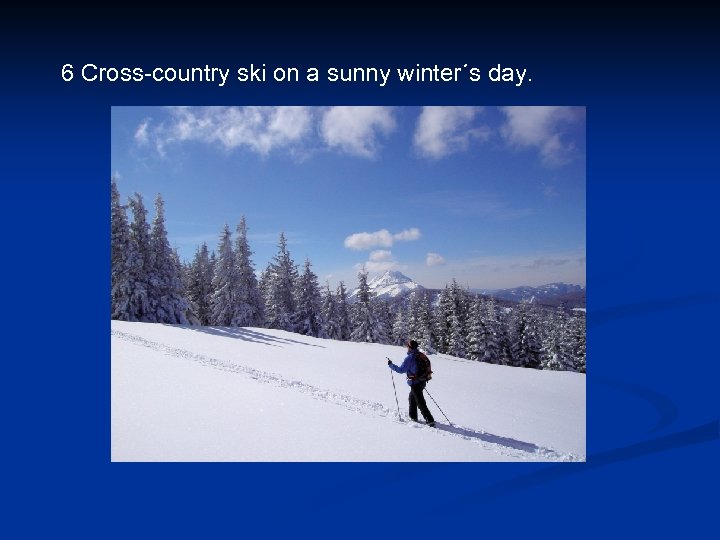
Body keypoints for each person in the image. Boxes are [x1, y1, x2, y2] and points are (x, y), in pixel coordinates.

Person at [388, 340, 436, 427]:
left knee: (420, 402)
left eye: (408, 346)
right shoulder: (421, 355)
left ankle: (430, 420)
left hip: (415, 383)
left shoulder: (410, 358)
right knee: (412, 398)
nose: (407, 347)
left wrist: (391, 365)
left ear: (410, 347)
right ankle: (413, 417)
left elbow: (401, 370)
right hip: (423, 381)